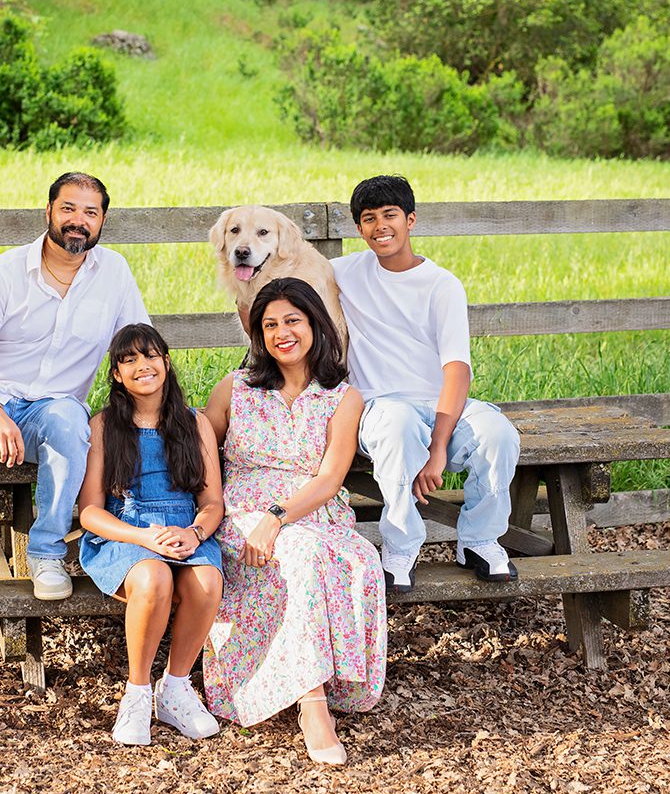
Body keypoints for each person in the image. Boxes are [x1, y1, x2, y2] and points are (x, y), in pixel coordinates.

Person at [0, 172, 149, 609]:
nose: (78, 221)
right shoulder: (7, 272)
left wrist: (141, 415)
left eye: (90, 212)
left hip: (51, 414)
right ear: (47, 212)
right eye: (68, 209)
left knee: (70, 419)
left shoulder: (114, 273)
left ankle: (48, 554)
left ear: (102, 221)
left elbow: (136, 345)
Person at [203, 277, 387, 766]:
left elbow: (330, 478)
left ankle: (329, 682)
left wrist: (278, 517)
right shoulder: (235, 389)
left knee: (360, 558)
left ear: (313, 325)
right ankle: (312, 704)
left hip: (313, 511)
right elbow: (199, 450)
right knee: (300, 559)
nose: (282, 333)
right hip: (242, 513)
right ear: (258, 336)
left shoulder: (342, 397)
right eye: (269, 325)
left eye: (292, 321)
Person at [330, 174, 521, 593]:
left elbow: (457, 370)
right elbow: (281, 276)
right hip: (381, 406)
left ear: (411, 219)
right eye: (368, 218)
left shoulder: (442, 285)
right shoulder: (340, 274)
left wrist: (437, 447)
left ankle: (479, 540)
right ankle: (400, 546)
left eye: (390, 215)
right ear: (359, 229)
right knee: (397, 428)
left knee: (498, 435)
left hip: (439, 404)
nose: (381, 226)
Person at [77, 323, 225, 746]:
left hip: (184, 529)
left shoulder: (194, 424)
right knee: (154, 576)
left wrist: (196, 533)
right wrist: (143, 538)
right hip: (125, 533)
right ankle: (137, 692)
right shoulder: (104, 426)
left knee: (207, 579)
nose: (143, 365)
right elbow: (89, 511)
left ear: (165, 361)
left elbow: (212, 503)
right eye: (129, 360)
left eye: (150, 355)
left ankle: (175, 687)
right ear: (117, 375)